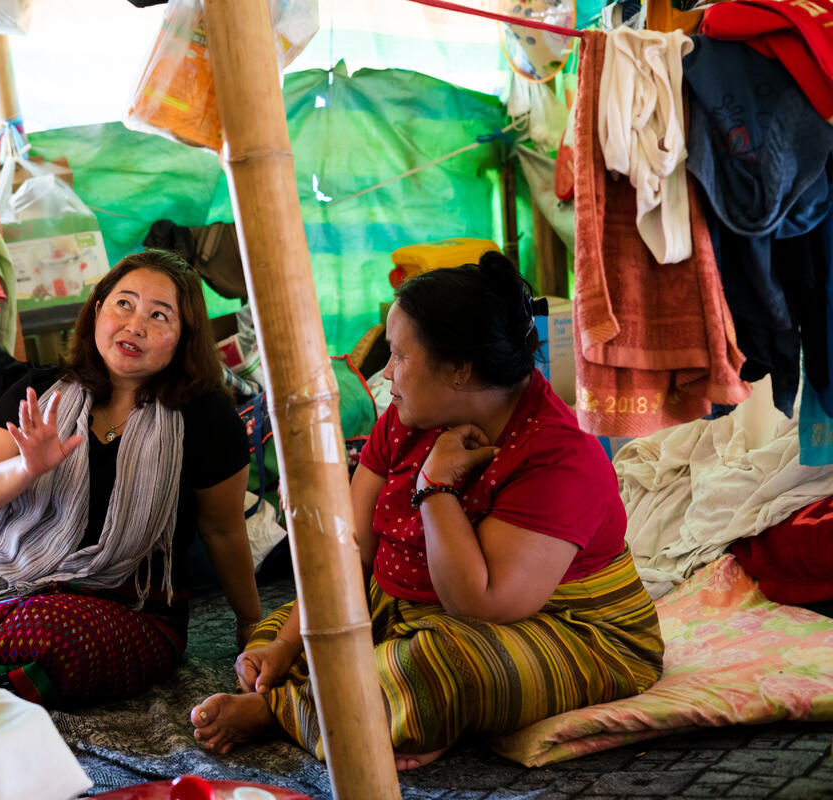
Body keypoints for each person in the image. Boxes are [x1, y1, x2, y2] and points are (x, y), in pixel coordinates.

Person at [190, 251, 664, 768]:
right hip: (409, 611)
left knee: (440, 667)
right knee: (292, 629)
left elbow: (476, 603)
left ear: (459, 369)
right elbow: (348, 551)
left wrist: (435, 487)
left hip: (563, 631)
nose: (386, 372)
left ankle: (282, 711)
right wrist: (285, 645)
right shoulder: (405, 416)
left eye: (399, 356)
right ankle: (372, 708)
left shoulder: (557, 456)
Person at [0, 249, 262, 706]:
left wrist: (252, 625)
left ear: (184, 337)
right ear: (98, 308)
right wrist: (26, 467)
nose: (135, 325)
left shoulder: (207, 418)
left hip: (128, 606)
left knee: (45, 634)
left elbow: (223, 530)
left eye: (159, 315)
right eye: (124, 303)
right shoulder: (39, 393)